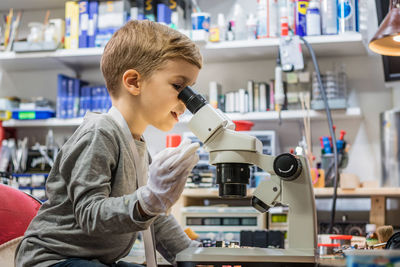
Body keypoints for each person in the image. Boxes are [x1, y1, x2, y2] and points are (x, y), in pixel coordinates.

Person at [15, 20, 202, 267]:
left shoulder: (137, 145)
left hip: (94, 260)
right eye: (179, 86)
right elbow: (90, 215)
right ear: (134, 82)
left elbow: (154, 218)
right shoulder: (99, 133)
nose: (187, 100)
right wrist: (147, 200)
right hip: (52, 260)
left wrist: (193, 257)